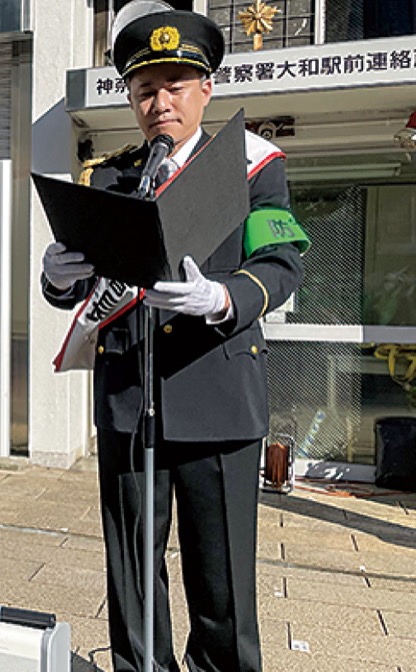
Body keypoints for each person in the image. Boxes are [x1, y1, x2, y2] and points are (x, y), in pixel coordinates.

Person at [39, 5, 308, 671]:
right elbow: (83, 284)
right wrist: (55, 276)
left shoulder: (251, 167)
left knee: (221, 583)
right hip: (132, 396)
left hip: (217, 394)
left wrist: (222, 296)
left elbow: (281, 265)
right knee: (132, 569)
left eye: (175, 86)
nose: (160, 102)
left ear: (206, 90)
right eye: (145, 89)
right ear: (130, 97)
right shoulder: (111, 176)